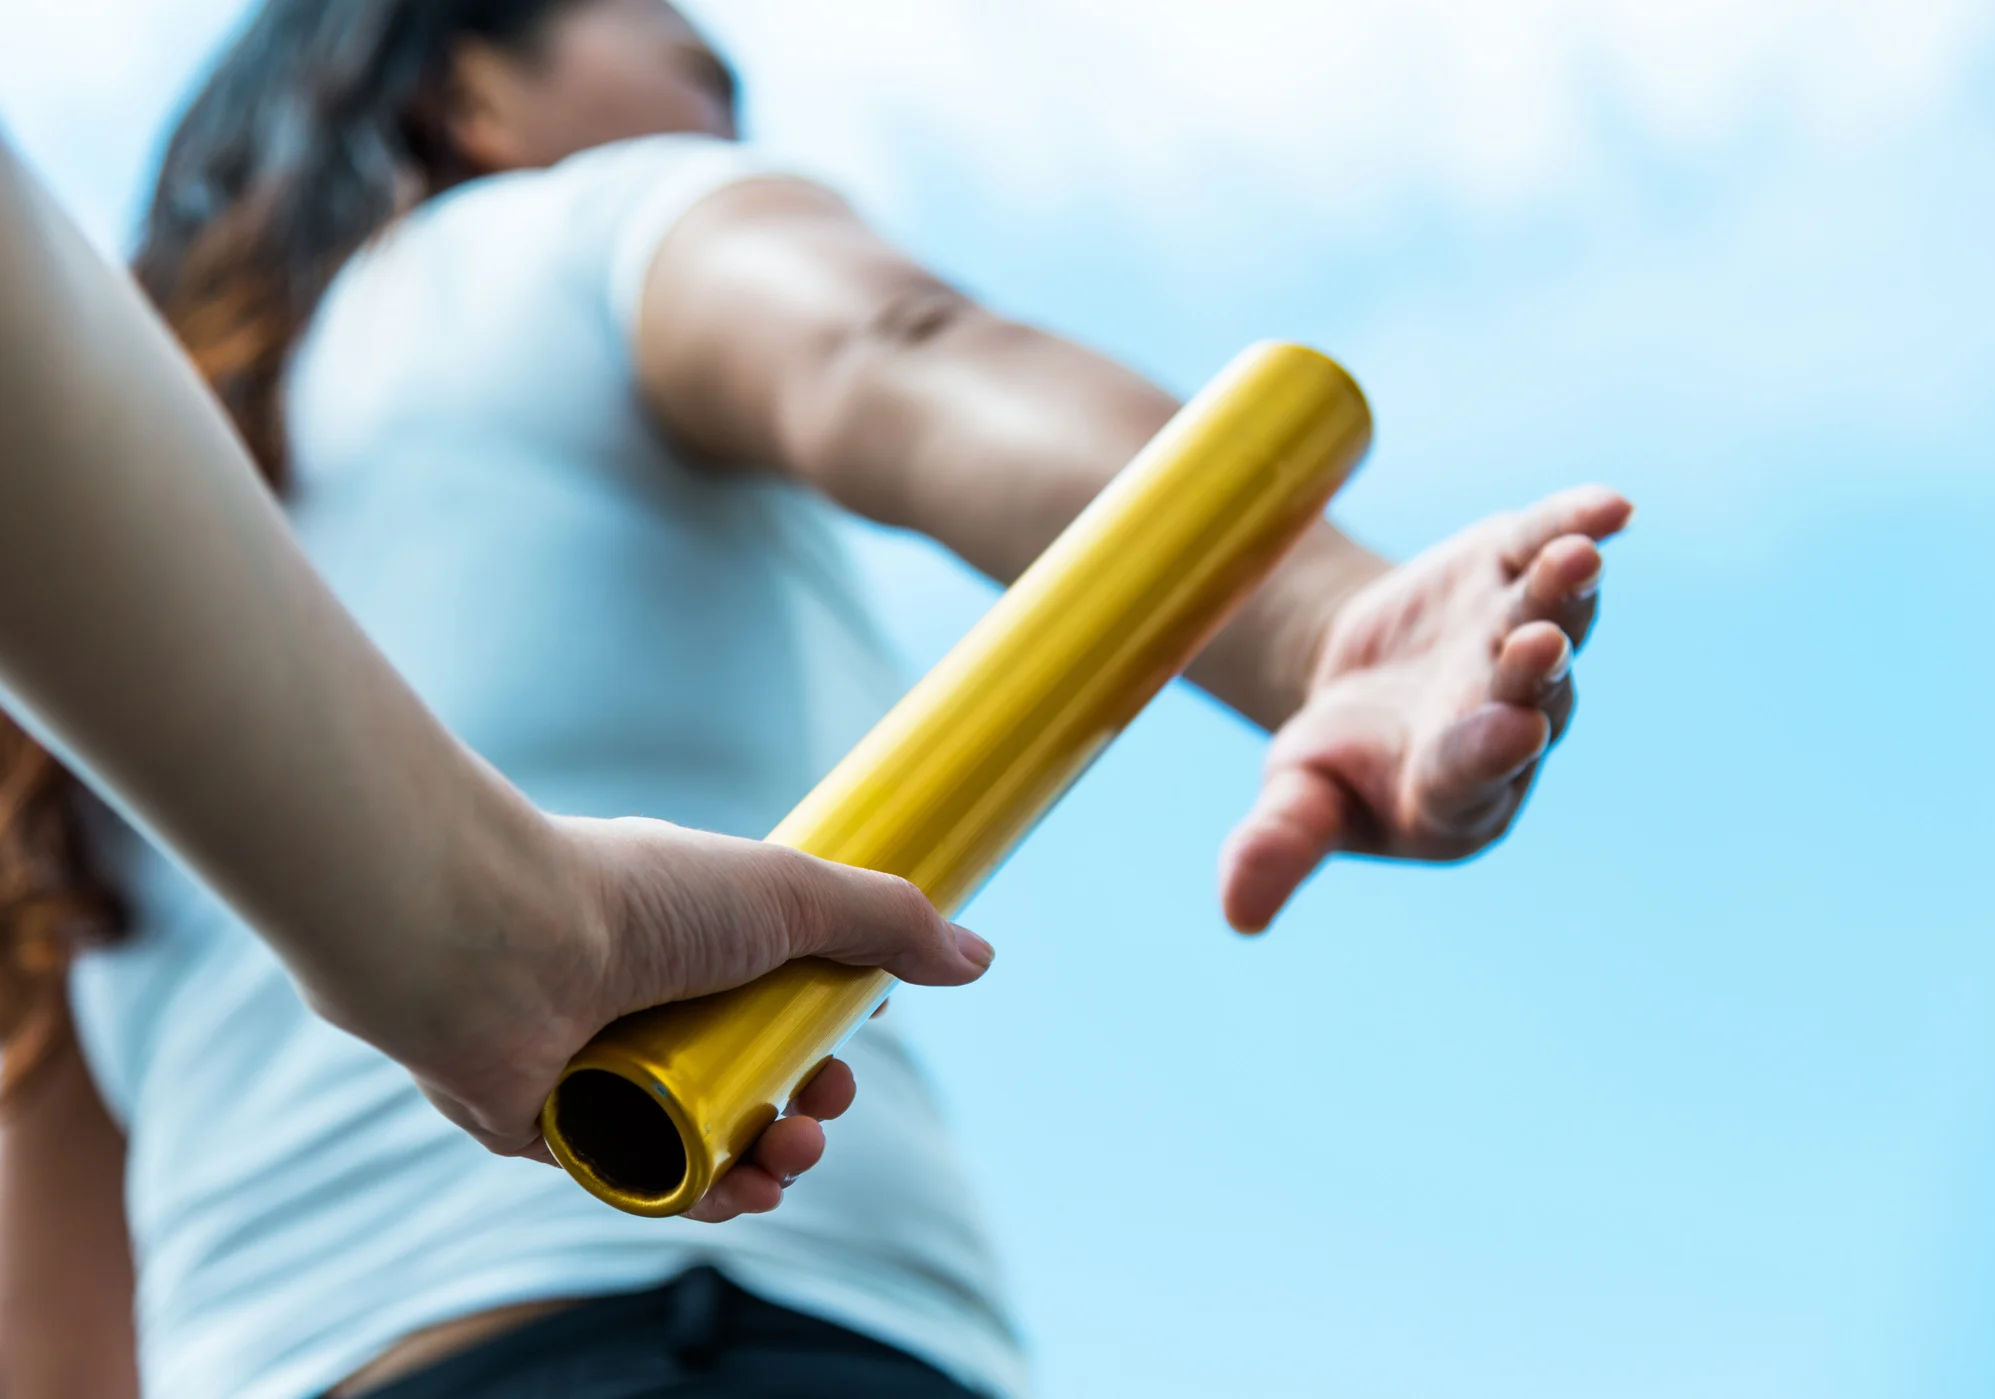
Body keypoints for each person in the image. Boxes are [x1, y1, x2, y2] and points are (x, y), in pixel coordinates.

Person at [0, 1, 1630, 1396]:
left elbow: (53, 1325)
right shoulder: (570, 239)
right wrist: (1323, 619)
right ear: (465, 91)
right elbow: (893, 350)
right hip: (722, 1333)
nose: (727, 114)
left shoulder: (67, 660)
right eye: (686, 61)